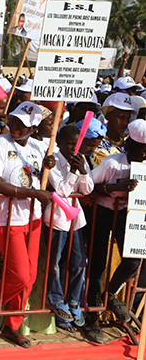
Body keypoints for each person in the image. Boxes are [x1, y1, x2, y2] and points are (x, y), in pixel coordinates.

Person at [0, 101, 54, 348]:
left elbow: (46, 173)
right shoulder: (1, 143)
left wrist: (50, 165)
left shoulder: (39, 145)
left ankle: (13, 325)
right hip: (7, 216)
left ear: (33, 128)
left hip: (32, 217)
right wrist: (33, 194)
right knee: (21, 275)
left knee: (30, 276)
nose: (14, 126)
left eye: (21, 124)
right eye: (12, 120)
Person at [84, 119, 146, 343]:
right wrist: (115, 188)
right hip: (102, 214)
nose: (145, 155)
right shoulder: (112, 162)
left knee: (133, 260)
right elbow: (88, 186)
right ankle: (92, 319)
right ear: (132, 147)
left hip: (127, 216)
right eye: (142, 150)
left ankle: (109, 296)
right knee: (97, 265)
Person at [45, 125, 92, 332]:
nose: (74, 148)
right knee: (54, 261)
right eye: (71, 144)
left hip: (76, 219)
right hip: (57, 218)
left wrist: (82, 170)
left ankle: (74, 300)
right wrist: (73, 171)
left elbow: (87, 189)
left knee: (79, 261)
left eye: (77, 143)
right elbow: (62, 191)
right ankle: (56, 299)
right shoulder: (52, 162)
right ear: (60, 143)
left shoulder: (81, 159)